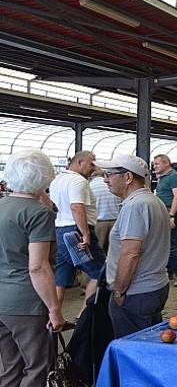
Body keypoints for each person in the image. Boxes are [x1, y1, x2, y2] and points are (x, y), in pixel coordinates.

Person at [0, 150, 66, 386]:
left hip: (2, 301)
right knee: (38, 368)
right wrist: (54, 308)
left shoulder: (3, 205)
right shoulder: (38, 213)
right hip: (27, 303)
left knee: (10, 367)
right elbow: (38, 267)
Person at [98, 154, 170, 338]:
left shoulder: (134, 206)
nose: (106, 180)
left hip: (136, 292)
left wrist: (119, 291)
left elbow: (130, 253)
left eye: (109, 174)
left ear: (128, 177)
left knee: (133, 348)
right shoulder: (154, 201)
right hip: (155, 287)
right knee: (149, 342)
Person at [49, 150, 105, 310]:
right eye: (91, 163)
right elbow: (76, 206)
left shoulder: (57, 180)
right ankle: (84, 315)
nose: (94, 167)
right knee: (100, 272)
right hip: (77, 231)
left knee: (61, 274)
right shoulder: (77, 181)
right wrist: (85, 234)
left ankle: (54, 316)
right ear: (80, 162)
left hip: (61, 230)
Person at [154, 154, 177, 287]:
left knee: (172, 245)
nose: (154, 166)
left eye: (157, 164)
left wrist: (171, 215)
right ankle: (169, 272)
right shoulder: (163, 178)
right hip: (164, 212)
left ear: (166, 163)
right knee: (165, 245)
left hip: (170, 213)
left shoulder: (174, 176)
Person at [90, 167, 121, 252]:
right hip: (116, 222)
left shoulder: (90, 186)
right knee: (114, 251)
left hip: (99, 223)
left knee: (99, 251)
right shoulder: (113, 185)